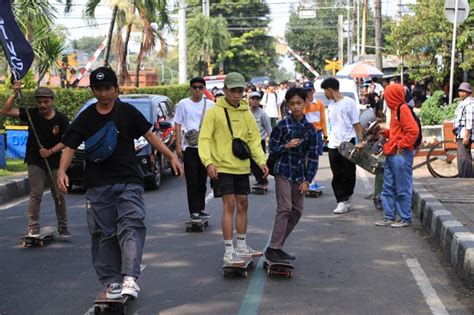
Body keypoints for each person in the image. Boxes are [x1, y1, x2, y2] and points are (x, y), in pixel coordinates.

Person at [56, 67, 183, 299]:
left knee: (131, 225)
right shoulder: (86, 117)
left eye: (108, 88)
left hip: (129, 181)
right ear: (92, 90)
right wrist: (62, 171)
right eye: (98, 89)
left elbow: (150, 136)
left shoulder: (128, 112)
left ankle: (130, 277)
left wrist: (172, 155)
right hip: (97, 184)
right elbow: (70, 146)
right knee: (103, 234)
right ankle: (111, 280)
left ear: (116, 89)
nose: (104, 94)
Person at [198, 72, 269, 265]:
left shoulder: (246, 112)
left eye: (240, 91)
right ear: (226, 90)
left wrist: (261, 161)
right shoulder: (214, 112)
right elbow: (204, 139)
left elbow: (254, 140)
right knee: (229, 205)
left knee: (243, 204)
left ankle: (241, 246)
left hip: (241, 167)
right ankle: (229, 251)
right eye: (233, 91)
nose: (237, 95)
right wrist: (208, 162)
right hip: (221, 166)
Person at [0, 82, 70, 238]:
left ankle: (63, 227)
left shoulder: (61, 119)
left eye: (46, 101)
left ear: (52, 101)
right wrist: (14, 93)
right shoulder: (31, 114)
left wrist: (50, 151)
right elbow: (5, 111)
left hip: (53, 161)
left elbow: (67, 142)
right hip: (35, 160)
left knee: (58, 195)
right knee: (36, 193)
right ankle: (33, 227)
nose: (42, 105)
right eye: (39, 102)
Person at [264, 88, 318, 262]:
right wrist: (285, 146)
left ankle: (277, 246)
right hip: (283, 169)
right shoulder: (282, 126)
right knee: (285, 207)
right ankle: (273, 248)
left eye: (299, 103)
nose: (296, 107)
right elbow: (271, 149)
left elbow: (314, 157)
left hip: (300, 174)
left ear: (305, 103)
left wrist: (308, 181)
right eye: (292, 104)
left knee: (297, 211)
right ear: (287, 105)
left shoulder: (311, 129)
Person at [375, 84, 419, 227]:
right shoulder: (395, 110)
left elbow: (413, 131)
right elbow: (398, 131)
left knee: (402, 187)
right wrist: (386, 132)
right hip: (392, 152)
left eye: (387, 96)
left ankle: (405, 218)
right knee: (388, 186)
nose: (385, 99)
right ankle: (389, 216)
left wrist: (402, 144)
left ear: (391, 96)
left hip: (401, 153)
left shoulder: (402, 109)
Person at [174, 77, 215, 222]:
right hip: (189, 147)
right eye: (194, 87)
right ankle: (193, 211)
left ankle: (201, 209)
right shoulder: (183, 104)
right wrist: (178, 145)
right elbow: (177, 124)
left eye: (200, 87)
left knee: (202, 180)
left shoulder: (210, 104)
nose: (197, 90)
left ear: (204, 89)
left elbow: (215, 126)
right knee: (192, 181)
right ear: (190, 89)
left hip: (205, 148)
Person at [321, 77, 364, 214]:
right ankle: (341, 201)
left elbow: (356, 124)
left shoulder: (349, 103)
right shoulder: (331, 106)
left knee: (350, 174)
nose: (325, 95)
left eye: (325, 91)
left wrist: (360, 141)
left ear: (330, 90)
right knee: (337, 174)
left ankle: (347, 196)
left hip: (348, 143)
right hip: (333, 145)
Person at [302, 81, 327, 192]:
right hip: (305, 133)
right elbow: (300, 116)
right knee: (305, 157)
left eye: (310, 91)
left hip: (317, 132)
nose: (308, 93)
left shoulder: (319, 104)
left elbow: (323, 120)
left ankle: (312, 181)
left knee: (315, 157)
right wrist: (305, 104)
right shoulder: (301, 103)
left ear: (313, 91)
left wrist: (325, 135)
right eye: (306, 91)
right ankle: (307, 181)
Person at [248, 91, 272, 189]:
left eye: (257, 99)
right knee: (251, 163)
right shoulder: (246, 112)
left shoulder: (262, 114)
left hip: (259, 142)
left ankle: (263, 181)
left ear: (259, 101)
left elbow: (269, 129)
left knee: (259, 162)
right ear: (249, 100)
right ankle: (259, 179)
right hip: (248, 142)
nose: (254, 101)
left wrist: (272, 142)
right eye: (252, 99)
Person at [453, 82, 474, 178]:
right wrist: (455, 135)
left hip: (464, 134)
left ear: (467, 92)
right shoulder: (462, 103)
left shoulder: (469, 104)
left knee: (464, 158)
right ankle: (462, 176)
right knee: (460, 158)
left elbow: (469, 121)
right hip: (460, 133)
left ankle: (467, 178)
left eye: (462, 91)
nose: (460, 93)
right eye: (460, 91)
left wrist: (466, 135)